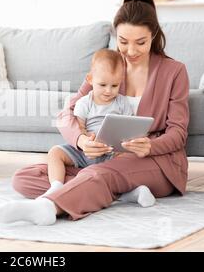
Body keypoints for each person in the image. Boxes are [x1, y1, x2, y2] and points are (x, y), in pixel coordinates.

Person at [0, 0, 190, 226]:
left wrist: (150, 146)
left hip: (157, 163)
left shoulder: (174, 71)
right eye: (123, 42)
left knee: (98, 174)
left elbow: (178, 133)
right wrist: (82, 141)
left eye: (140, 43)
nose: (131, 51)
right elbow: (66, 114)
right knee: (25, 177)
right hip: (103, 160)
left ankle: (48, 206)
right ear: (115, 36)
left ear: (153, 35)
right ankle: (122, 194)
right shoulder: (109, 68)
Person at [38, 48, 155, 208]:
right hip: (85, 152)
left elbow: (128, 128)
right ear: (90, 79)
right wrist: (86, 140)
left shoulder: (122, 103)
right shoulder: (85, 102)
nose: (108, 91)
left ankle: (130, 193)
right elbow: (79, 127)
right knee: (55, 153)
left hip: (111, 155)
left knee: (130, 161)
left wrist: (125, 146)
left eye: (114, 85)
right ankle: (56, 187)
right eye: (102, 85)